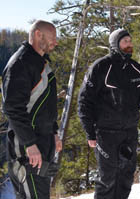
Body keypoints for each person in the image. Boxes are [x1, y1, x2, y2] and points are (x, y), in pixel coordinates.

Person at [78, 29, 140, 199]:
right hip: (106, 133)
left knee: (126, 177)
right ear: (115, 44)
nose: (129, 44)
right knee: (107, 178)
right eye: (125, 41)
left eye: (130, 41)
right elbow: (84, 101)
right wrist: (89, 133)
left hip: (130, 132)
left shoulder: (136, 68)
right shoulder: (101, 67)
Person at [2, 20, 62, 199]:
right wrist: (29, 144)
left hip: (41, 141)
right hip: (27, 146)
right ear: (38, 34)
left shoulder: (40, 62)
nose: (56, 41)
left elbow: (45, 105)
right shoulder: (21, 63)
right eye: (52, 36)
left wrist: (54, 132)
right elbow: (13, 108)